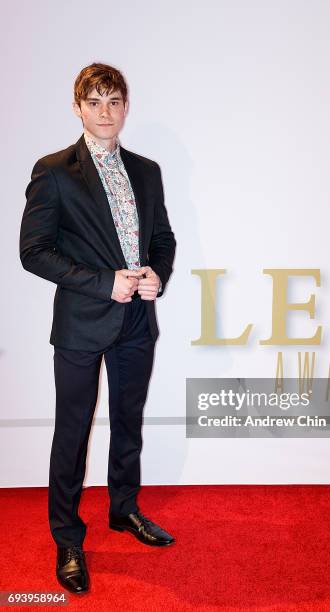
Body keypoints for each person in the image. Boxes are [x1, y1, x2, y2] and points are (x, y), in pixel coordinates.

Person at [19, 63, 177, 595]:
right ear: (78, 107)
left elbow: (163, 238)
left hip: (137, 321)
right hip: (82, 323)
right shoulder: (55, 171)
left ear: (126, 107)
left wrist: (158, 273)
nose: (105, 112)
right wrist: (102, 282)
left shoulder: (148, 170)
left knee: (128, 423)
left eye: (114, 101)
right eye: (95, 102)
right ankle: (67, 537)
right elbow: (33, 252)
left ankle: (124, 510)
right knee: (72, 432)